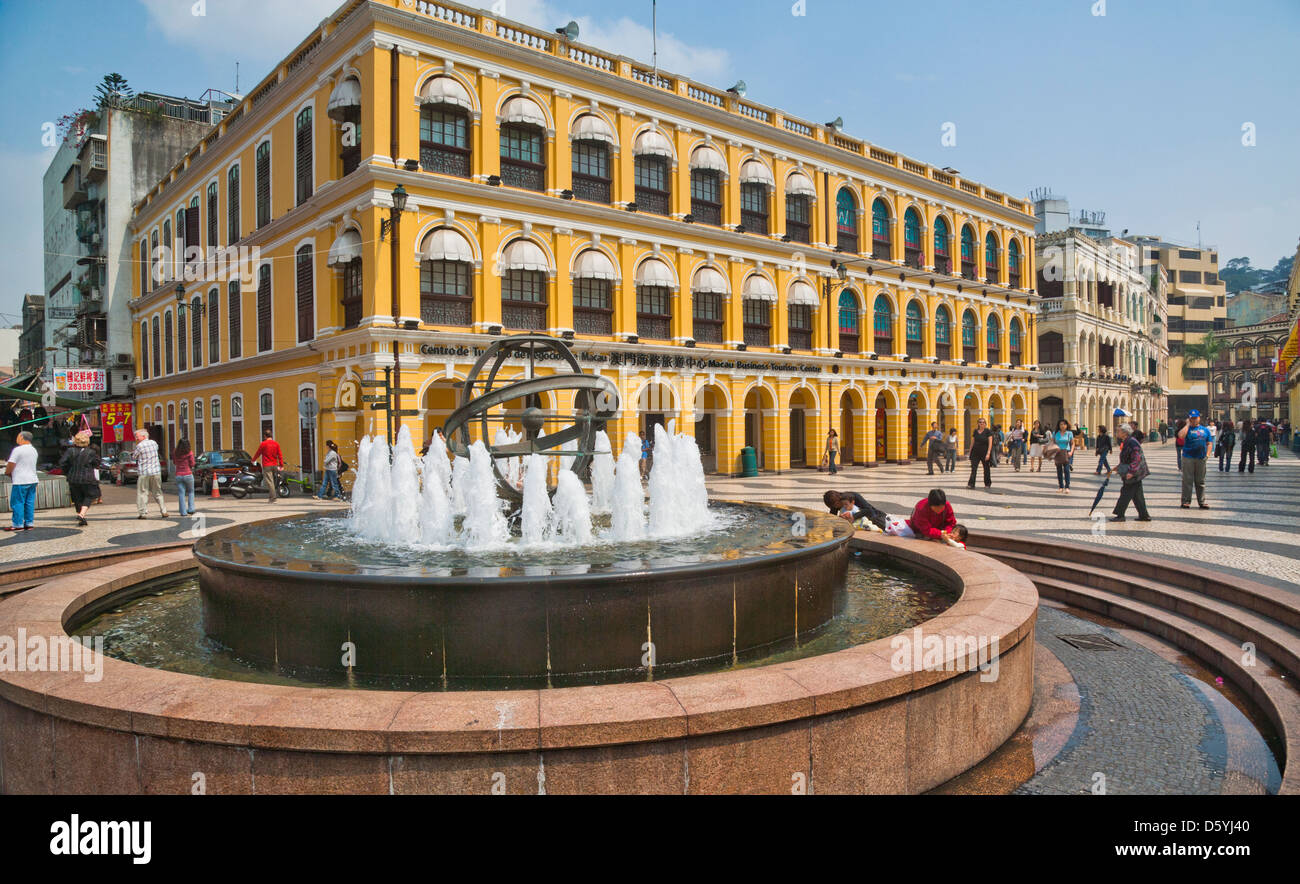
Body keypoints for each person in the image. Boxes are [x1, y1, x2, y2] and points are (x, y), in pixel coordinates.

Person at [880, 489, 967, 548]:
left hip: (938, 533)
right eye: (936, 508)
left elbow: (951, 522)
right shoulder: (921, 508)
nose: (939, 511)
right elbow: (926, 530)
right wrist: (940, 534)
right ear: (930, 505)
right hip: (917, 531)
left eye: (942, 508)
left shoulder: (947, 505)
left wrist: (947, 532)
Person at [56, 430, 101, 527]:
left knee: (77, 498)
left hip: (73, 478)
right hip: (87, 478)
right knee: (90, 495)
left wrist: (68, 471)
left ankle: (81, 518)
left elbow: (62, 463)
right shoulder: (91, 452)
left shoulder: (70, 451)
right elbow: (97, 463)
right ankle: (82, 514)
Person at [1110, 423, 1151, 522]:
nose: (1116, 433)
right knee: (1137, 495)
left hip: (1134, 473)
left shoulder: (1132, 442)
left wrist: (1132, 471)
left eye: (1118, 431)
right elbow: (1127, 457)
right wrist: (1119, 466)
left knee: (1125, 493)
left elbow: (1136, 457)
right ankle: (1144, 515)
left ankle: (1120, 515)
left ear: (1125, 433)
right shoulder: (1127, 441)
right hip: (1135, 472)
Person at [4, 431, 39, 531]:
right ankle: (29, 523)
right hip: (32, 479)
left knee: (18, 502)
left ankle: (17, 524)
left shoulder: (18, 450)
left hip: (20, 480)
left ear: (22, 438)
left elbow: (11, 464)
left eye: (18, 436)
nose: (17, 438)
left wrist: (7, 472)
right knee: (29, 502)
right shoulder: (34, 450)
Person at [1177, 410, 1211, 509]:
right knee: (1187, 480)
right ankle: (1186, 501)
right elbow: (1180, 436)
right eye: (1192, 418)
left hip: (1201, 457)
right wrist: (1187, 425)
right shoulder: (1187, 429)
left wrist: (1207, 455)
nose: (1194, 420)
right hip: (1188, 457)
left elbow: (1209, 443)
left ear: (1199, 418)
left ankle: (1202, 501)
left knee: (1200, 481)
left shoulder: (1205, 430)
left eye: (1195, 418)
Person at [133, 429, 168, 518]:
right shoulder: (154, 443)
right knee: (158, 491)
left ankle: (143, 513)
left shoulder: (139, 446)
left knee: (142, 492)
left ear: (144, 436)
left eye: (137, 436)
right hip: (155, 471)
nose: (136, 438)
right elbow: (156, 449)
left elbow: (134, 457)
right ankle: (163, 510)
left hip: (144, 472)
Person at [823, 489, 888, 531]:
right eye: (833, 506)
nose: (836, 507)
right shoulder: (834, 503)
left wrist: (853, 517)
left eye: (836, 504)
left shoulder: (853, 496)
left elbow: (868, 509)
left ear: (838, 498)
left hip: (874, 519)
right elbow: (833, 518)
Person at [251, 429, 285, 503]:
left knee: (270, 482)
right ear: (271, 435)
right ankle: (271, 497)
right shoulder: (276, 444)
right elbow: (280, 455)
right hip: (275, 465)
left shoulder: (263, 444)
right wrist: (281, 465)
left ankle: (273, 498)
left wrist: (253, 460)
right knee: (274, 481)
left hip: (267, 465)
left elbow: (258, 453)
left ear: (265, 436)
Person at [967, 416, 993, 489]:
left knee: (986, 469)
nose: (981, 423)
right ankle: (971, 484)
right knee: (973, 469)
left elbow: (990, 443)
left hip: (984, 452)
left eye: (983, 422)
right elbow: (973, 442)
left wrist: (988, 453)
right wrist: (970, 451)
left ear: (985, 424)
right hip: (975, 453)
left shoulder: (988, 431)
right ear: (978, 423)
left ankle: (987, 483)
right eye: (980, 422)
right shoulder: (975, 431)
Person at [172, 438, 197, 518]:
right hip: (188, 474)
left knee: (181, 493)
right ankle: (191, 509)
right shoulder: (189, 452)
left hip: (178, 475)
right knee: (191, 492)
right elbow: (192, 464)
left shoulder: (175, 452)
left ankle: (183, 512)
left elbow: (174, 462)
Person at [1052, 419, 1075, 493]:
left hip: (1066, 452)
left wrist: (1071, 452)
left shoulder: (1069, 433)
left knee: (1066, 470)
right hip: (1058, 453)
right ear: (1059, 425)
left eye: (1064, 424)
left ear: (1067, 425)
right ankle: (1061, 487)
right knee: (1059, 470)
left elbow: (1072, 443)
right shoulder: (1055, 433)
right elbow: (1053, 443)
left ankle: (1067, 487)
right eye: (1061, 424)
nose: (1063, 426)